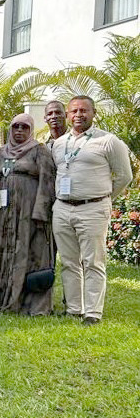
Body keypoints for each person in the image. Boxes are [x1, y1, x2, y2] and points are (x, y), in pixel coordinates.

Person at [51, 96, 132, 325]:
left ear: (94, 113)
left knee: (93, 262)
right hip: (63, 208)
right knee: (68, 261)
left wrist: (103, 198)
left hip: (93, 208)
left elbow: (125, 176)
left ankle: (93, 312)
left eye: (84, 110)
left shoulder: (108, 141)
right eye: (74, 111)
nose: (78, 114)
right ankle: (74, 308)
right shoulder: (59, 143)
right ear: (67, 115)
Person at [0, 114, 56, 316]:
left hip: (29, 213)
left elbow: (48, 182)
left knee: (30, 254)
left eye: (24, 127)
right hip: (5, 212)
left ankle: (30, 304)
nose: (19, 130)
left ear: (31, 130)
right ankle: (3, 298)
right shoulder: (1, 152)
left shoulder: (39, 150)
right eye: (15, 126)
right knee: (4, 252)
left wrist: (41, 213)